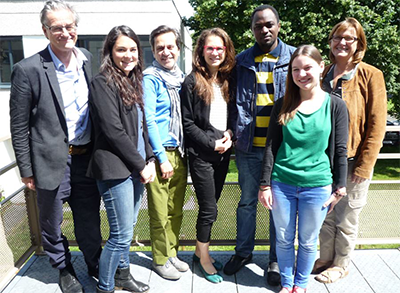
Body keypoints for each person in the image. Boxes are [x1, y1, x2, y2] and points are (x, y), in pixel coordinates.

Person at [9, 1, 102, 292]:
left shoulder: (87, 57)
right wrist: (26, 170)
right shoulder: (27, 69)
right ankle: (63, 268)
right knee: (51, 222)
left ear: (77, 27)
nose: (65, 32)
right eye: (57, 27)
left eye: (69, 26)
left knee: (89, 218)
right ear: (45, 31)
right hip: (49, 162)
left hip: (86, 158)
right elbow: (19, 124)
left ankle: (94, 262)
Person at [258, 45, 349, 293]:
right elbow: (271, 148)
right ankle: (287, 284)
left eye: (307, 67)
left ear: (321, 67)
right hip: (282, 184)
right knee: (284, 240)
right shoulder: (282, 105)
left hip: (318, 186)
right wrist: (265, 184)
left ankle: (301, 284)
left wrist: (339, 188)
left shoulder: (335, 106)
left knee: (308, 242)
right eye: (296, 69)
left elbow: (340, 150)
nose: (301, 74)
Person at [224, 4, 296, 286]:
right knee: (247, 202)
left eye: (269, 24)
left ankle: (275, 260)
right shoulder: (241, 61)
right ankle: (243, 253)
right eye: (258, 26)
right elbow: (232, 103)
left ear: (278, 25)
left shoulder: (293, 58)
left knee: (279, 206)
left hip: (283, 149)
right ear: (252, 29)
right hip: (249, 147)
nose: (264, 30)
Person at [313, 17, 387, 284]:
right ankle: (324, 258)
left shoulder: (371, 75)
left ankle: (341, 264)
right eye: (337, 37)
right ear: (330, 42)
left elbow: (378, 125)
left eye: (349, 38)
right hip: (323, 162)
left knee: (347, 216)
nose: (342, 42)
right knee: (325, 214)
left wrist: (366, 165)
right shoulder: (322, 73)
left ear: (359, 43)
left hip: (354, 161)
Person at [87, 25, 155, 293]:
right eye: (121, 49)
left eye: (132, 49)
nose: (128, 55)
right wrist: (142, 165)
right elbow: (113, 131)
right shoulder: (102, 82)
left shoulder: (133, 81)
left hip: (137, 168)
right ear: (110, 52)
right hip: (115, 169)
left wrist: (149, 159)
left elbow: (142, 128)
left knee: (128, 228)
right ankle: (105, 287)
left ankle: (123, 276)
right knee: (120, 235)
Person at [180, 28, 236, 283]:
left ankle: (198, 251)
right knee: (209, 210)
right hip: (202, 155)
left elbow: (232, 115)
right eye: (210, 48)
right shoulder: (192, 82)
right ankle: (203, 258)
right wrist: (212, 144)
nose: (215, 52)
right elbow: (188, 123)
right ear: (201, 51)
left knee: (211, 206)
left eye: (219, 48)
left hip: (223, 155)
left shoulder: (226, 80)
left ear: (226, 51)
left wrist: (230, 136)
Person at [143, 25, 189, 280]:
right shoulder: (151, 78)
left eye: (170, 46)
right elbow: (149, 120)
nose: (165, 51)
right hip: (162, 152)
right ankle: (159, 259)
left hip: (180, 152)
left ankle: (171, 251)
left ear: (178, 48)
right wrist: (160, 158)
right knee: (160, 211)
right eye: (159, 47)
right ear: (153, 50)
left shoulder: (181, 78)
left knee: (176, 209)